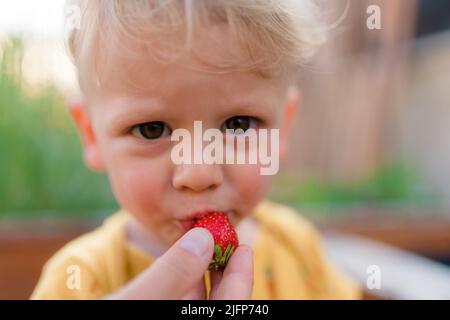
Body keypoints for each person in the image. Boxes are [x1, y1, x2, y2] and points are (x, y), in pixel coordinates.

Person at [31, 0, 360, 299]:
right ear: (92, 135)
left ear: (282, 127)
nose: (199, 173)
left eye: (238, 125)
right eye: (152, 129)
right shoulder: (79, 281)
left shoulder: (299, 251)